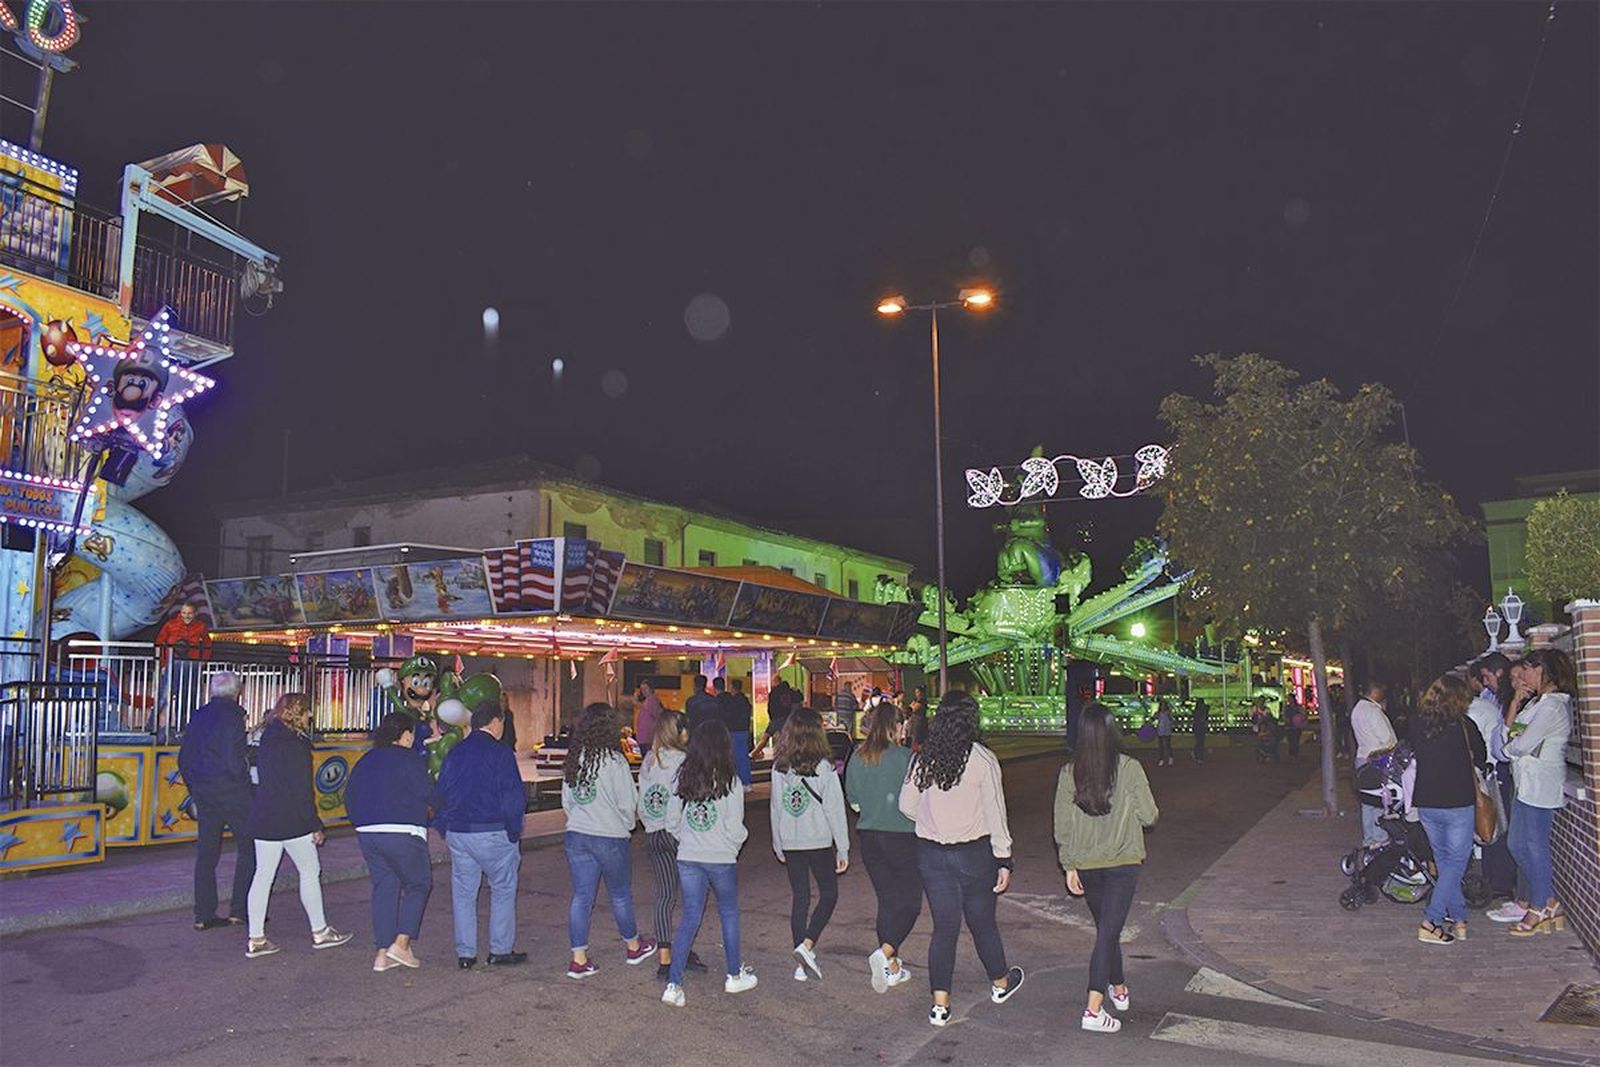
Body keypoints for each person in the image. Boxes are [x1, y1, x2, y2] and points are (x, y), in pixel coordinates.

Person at [898, 690, 1024, 1028]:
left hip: (931, 854)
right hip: (973, 854)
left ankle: (940, 1005)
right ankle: (1000, 982)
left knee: (944, 928)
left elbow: (906, 805)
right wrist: (1004, 858)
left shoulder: (924, 757)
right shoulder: (982, 759)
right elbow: (997, 814)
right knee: (982, 922)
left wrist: (930, 820)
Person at [1054, 703, 1159, 1034]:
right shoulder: (1130, 768)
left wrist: (1069, 865)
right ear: (1113, 731)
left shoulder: (1070, 773)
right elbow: (1150, 816)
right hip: (1122, 863)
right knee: (1107, 932)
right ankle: (1093, 1009)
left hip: (1087, 865)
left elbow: (1063, 827)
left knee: (1106, 930)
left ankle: (1119, 985)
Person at [244, 693, 353, 958]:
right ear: (298, 714)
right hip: (291, 819)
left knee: (262, 875)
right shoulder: (296, 744)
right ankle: (320, 930)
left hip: (264, 814)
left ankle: (256, 937)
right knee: (309, 869)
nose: (311, 716)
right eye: (308, 712)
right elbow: (301, 789)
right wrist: (314, 823)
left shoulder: (267, 736)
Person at [662, 720, 757, 1007]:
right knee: (728, 914)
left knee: (690, 917)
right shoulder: (730, 782)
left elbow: (672, 822)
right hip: (720, 858)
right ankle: (733, 974)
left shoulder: (684, 778)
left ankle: (673, 983)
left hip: (689, 857)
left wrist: (688, 840)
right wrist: (735, 843)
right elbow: (734, 828)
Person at [562, 702, 654, 979]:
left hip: (577, 834)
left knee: (581, 897)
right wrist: (627, 826)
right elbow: (628, 801)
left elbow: (568, 800)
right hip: (609, 835)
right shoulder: (614, 761)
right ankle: (633, 946)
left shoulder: (575, 757)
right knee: (620, 894)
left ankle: (578, 958)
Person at [344, 711, 440, 972]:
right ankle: (402, 942)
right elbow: (428, 793)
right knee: (418, 884)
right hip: (403, 830)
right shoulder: (410, 760)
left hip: (368, 832)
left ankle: (382, 954)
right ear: (406, 735)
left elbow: (349, 796)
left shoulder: (366, 760)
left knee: (385, 886)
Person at [436, 699, 527, 969]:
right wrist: (513, 831)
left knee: (464, 892)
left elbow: (440, 793)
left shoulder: (455, 752)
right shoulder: (500, 754)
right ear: (496, 722)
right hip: (492, 831)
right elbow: (513, 797)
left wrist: (444, 825)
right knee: (502, 889)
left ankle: (466, 953)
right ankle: (499, 950)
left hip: (459, 831)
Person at [770, 708, 850, 982]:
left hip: (792, 841)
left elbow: (776, 808)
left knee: (800, 898)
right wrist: (843, 847)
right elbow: (835, 810)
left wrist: (778, 842)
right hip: (818, 840)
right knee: (829, 894)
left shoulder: (780, 767)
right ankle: (807, 945)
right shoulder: (825, 767)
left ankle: (800, 961)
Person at [845, 703, 920, 993]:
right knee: (911, 903)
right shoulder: (907, 759)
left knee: (887, 902)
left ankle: (892, 968)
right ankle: (885, 952)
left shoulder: (857, 756)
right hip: (903, 837)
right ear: (896, 727)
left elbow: (854, 803)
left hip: (870, 838)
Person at [1409, 675, 1487, 945]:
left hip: (1428, 801)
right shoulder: (1464, 726)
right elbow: (1482, 755)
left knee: (1445, 863)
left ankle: (1460, 918)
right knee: (1456, 862)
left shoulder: (1418, 724)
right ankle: (1431, 920)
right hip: (1458, 801)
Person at [1502, 648, 1574, 937]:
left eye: (1530, 669)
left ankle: (1540, 905)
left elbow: (1520, 743)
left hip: (1541, 785)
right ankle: (1549, 899)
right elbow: (1510, 733)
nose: (1525, 675)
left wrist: (1511, 747)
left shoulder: (1553, 706)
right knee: (1516, 843)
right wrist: (1513, 740)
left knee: (1535, 846)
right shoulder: (1536, 704)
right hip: (1525, 784)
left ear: (1545, 672)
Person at [177, 670, 255, 931]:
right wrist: (243, 783)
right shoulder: (234, 717)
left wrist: (195, 786)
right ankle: (240, 909)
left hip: (204, 791)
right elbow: (234, 758)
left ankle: (203, 912)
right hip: (231, 791)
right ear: (237, 692)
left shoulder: (198, 715)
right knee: (249, 847)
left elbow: (184, 757)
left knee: (207, 852)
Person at [637, 710, 706, 979]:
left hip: (654, 834)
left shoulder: (650, 760)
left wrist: (650, 825)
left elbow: (643, 799)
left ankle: (665, 958)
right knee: (693, 896)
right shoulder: (685, 760)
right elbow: (683, 800)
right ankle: (684, 949)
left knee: (665, 896)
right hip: (678, 835)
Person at [1468, 653, 1518, 903]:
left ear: (1498, 673)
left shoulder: (1491, 705)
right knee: (1490, 822)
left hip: (1497, 770)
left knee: (1496, 824)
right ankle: (1493, 879)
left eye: (1486, 676)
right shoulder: (1491, 701)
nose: (1484, 682)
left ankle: (1501, 882)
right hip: (1493, 769)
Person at [1350, 683, 1397, 846]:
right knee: (1379, 801)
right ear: (1375, 692)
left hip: (1362, 758)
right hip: (1377, 760)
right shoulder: (1373, 711)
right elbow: (1388, 740)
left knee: (1367, 803)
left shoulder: (1357, 709)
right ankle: (1379, 838)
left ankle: (1369, 838)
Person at [155, 602, 212, 735]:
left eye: (189, 613)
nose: (186, 616)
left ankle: (184, 727)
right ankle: (151, 725)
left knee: (188, 696)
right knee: (164, 694)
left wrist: (202, 661)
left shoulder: (200, 626)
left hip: (191, 664)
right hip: (173, 662)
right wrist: (163, 663)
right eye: (184, 613)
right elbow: (159, 643)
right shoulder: (170, 625)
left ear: (195, 613)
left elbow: (208, 644)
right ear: (180, 613)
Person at [722, 678, 755, 788]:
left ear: (732, 687)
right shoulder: (745, 700)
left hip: (734, 731)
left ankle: (738, 782)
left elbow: (729, 716)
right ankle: (747, 782)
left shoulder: (732, 701)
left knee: (735, 757)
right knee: (743, 757)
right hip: (744, 731)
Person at [634, 680, 664, 751]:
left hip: (647, 737)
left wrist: (636, 701)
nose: (643, 691)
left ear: (651, 689)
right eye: (641, 689)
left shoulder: (652, 699)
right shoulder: (648, 700)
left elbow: (653, 712)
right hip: (645, 737)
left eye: (645, 688)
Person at [1153, 697, 1173, 767]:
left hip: (1167, 730)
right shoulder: (1158, 713)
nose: (1163, 707)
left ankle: (1170, 758)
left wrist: (1169, 715)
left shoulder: (1168, 712)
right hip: (1160, 731)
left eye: (1164, 705)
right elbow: (1153, 718)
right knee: (1161, 746)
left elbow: (1171, 719)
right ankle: (1161, 759)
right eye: (1161, 705)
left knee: (1168, 745)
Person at [1190, 697, 1209, 764]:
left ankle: (1198, 753)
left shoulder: (1201, 710)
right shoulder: (1198, 711)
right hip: (1199, 727)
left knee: (1200, 741)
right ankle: (1199, 756)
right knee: (1200, 741)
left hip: (1200, 727)